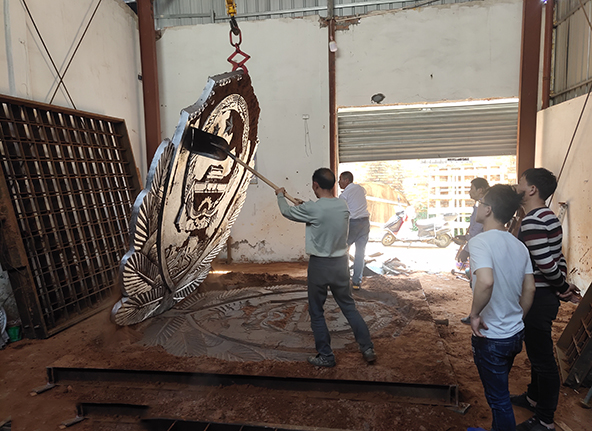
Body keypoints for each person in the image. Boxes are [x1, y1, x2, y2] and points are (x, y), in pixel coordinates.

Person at [275, 168, 376, 368]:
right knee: (349, 307)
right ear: (334, 185)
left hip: (320, 266)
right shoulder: (342, 205)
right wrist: (304, 205)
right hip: (340, 264)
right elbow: (321, 211)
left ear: (315, 185)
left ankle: (326, 356)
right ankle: (368, 348)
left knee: (316, 311)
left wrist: (280, 195)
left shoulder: (313, 209)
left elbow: (287, 212)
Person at [513, 168, 580, 431]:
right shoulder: (548, 216)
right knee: (536, 351)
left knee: (542, 358)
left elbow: (546, 263)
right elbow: (557, 259)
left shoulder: (532, 221)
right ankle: (533, 397)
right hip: (545, 294)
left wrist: (561, 287)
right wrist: (561, 286)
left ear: (532, 189)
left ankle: (545, 419)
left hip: (539, 297)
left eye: (520, 183)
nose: (516, 186)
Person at [467, 184, 536, 431]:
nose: (478, 207)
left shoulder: (479, 242)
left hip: (491, 337)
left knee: (499, 401)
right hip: (514, 334)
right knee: (500, 391)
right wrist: (517, 318)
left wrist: (474, 314)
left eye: (481, 203)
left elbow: (486, 281)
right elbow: (530, 289)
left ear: (488, 210)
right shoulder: (519, 245)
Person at [460, 177, 490, 324]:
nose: (469, 192)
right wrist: (465, 238)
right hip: (478, 248)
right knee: (475, 282)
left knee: (478, 283)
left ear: (480, 190)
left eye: (472, 189)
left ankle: (478, 315)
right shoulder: (480, 205)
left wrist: (466, 250)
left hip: (480, 251)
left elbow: (478, 232)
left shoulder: (484, 207)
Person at [338, 171, 370, 290]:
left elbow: (341, 211)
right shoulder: (360, 188)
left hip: (353, 224)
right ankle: (356, 282)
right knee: (360, 253)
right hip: (365, 223)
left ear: (346, 180)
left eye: (340, 179)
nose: (339, 182)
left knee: (344, 251)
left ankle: (343, 279)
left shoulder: (344, 195)